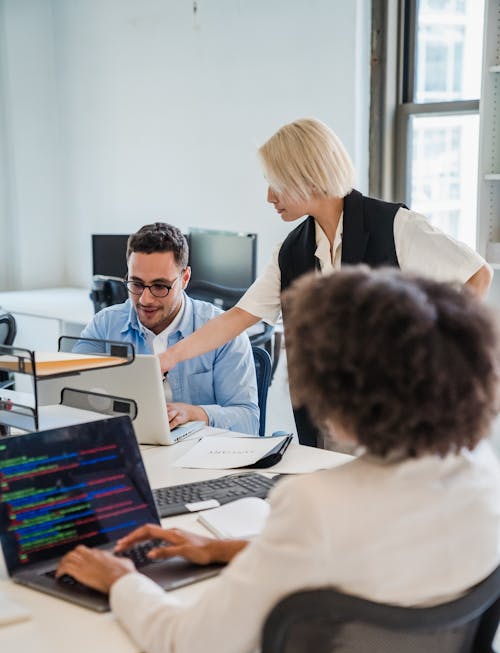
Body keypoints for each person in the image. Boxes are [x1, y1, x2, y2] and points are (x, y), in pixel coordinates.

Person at [58, 267, 500, 653]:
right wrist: (231, 549)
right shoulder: (481, 473)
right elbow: (384, 556)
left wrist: (120, 579)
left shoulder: (318, 503)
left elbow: (188, 651)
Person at [156, 118, 493, 446]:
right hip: (331, 415)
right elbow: (238, 317)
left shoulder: (395, 226)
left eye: (276, 183)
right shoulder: (292, 250)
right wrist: (169, 358)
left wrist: (436, 360)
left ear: (307, 178)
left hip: (396, 411)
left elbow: (477, 274)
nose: (269, 197)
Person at [77, 222, 259, 435]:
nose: (145, 299)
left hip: (198, 458)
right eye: (136, 284)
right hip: (130, 448)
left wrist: (194, 414)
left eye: (160, 286)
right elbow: (73, 397)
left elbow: (249, 421)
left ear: (185, 278)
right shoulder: (104, 326)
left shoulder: (224, 331)